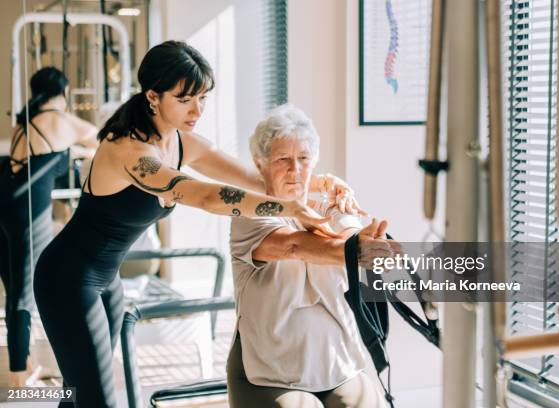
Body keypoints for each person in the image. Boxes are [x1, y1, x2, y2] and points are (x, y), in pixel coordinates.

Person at [33, 41, 355, 408]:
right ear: (153, 97)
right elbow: (203, 195)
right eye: (185, 99)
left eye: (202, 97)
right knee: (96, 400)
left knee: (77, 395)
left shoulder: (181, 142)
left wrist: (319, 183)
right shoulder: (130, 151)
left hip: (107, 280)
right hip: (66, 279)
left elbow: (252, 178)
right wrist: (290, 208)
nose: (197, 109)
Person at [228, 104, 393, 408]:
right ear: (260, 163)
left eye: (303, 159)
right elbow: (295, 245)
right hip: (270, 372)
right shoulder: (249, 215)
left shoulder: (333, 208)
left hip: (337, 367)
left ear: (314, 162)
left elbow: (350, 237)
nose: (295, 170)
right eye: (283, 159)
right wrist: (355, 251)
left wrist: (368, 244)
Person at [0, 67, 97, 387]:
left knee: (15, 287)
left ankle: (24, 362)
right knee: (23, 293)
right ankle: (18, 376)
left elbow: (49, 158)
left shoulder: (25, 123)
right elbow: (103, 138)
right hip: (27, 212)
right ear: (64, 91)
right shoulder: (59, 118)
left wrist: (73, 153)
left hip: (7, 205)